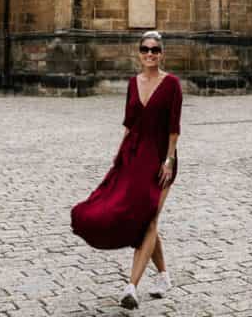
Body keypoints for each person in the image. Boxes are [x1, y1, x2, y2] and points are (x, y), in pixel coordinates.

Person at [71, 30, 182, 309]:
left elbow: (174, 128)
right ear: (139, 52)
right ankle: (164, 276)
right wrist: (118, 154)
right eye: (145, 49)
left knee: (150, 218)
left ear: (162, 53)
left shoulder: (172, 84)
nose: (150, 54)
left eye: (155, 50)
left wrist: (169, 160)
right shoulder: (133, 83)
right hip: (132, 157)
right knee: (131, 214)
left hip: (159, 161)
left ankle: (131, 286)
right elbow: (129, 123)